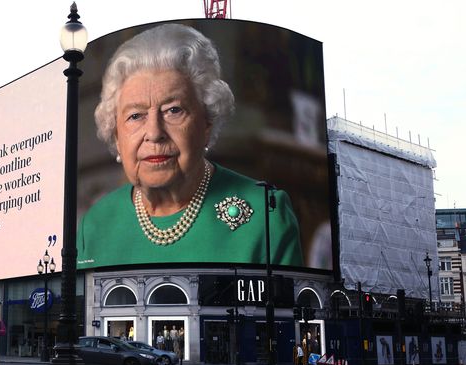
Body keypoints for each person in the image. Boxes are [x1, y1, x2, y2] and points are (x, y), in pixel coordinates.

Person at [77, 23, 303, 268]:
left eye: (174, 110)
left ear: (207, 122)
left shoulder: (266, 214)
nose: (154, 133)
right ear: (117, 135)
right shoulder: (95, 225)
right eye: (136, 116)